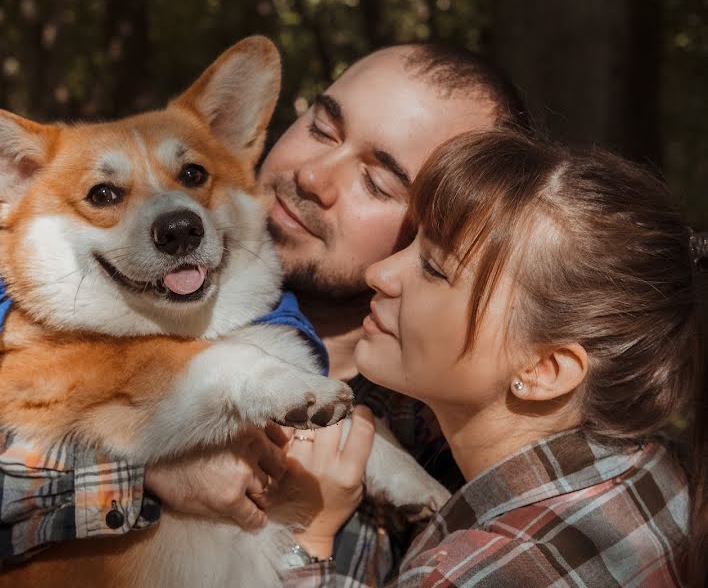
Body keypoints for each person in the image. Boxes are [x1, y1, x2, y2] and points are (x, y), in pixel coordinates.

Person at [0, 42, 527, 583]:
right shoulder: (78, 337)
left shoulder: (437, 417)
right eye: (322, 129)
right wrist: (145, 473)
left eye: (378, 181)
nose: (314, 177)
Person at [283, 130, 706, 587]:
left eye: (434, 269)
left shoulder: (472, 574)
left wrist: (308, 534)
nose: (378, 274)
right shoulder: (655, 468)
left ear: (543, 370)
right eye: (413, 242)